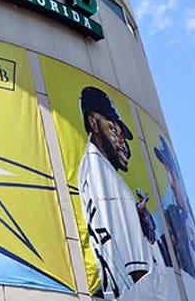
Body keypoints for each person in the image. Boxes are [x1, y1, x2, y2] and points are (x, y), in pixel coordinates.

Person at [78, 86, 152, 299]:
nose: (121, 142)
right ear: (93, 122)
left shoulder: (92, 167)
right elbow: (137, 271)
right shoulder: (104, 176)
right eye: (113, 129)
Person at [154, 137, 195, 289]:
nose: (171, 183)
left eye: (172, 173)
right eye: (167, 173)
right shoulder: (172, 221)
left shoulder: (186, 223)